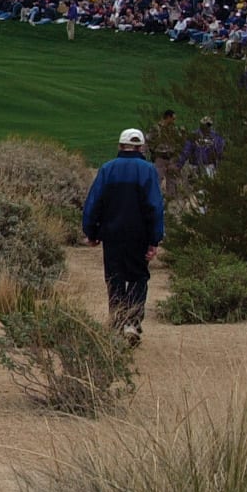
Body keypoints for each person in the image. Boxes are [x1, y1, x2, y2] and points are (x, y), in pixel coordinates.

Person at [82, 128, 165, 347]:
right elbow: (155, 207)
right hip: (139, 234)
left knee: (115, 278)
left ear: (120, 146)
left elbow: (94, 202)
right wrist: (155, 239)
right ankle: (132, 322)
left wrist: (91, 231)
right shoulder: (148, 170)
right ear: (141, 148)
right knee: (138, 277)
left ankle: (118, 323)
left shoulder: (108, 169)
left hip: (112, 234)